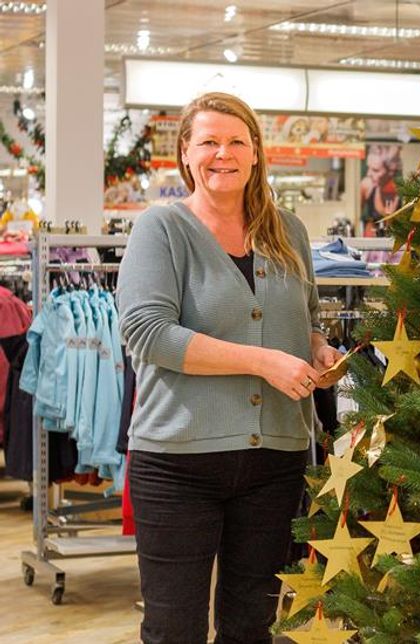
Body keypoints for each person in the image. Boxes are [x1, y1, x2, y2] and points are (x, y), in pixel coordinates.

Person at [117, 92, 342, 644]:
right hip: (178, 463)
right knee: (175, 629)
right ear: (186, 154)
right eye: (209, 142)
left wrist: (318, 350)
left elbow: (307, 317)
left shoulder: (288, 231)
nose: (224, 153)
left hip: (275, 461)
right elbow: (146, 333)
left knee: (251, 626)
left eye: (237, 141)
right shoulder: (161, 230)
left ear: (257, 152)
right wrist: (263, 362)